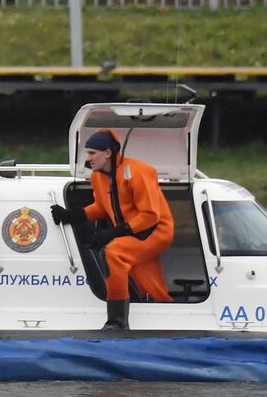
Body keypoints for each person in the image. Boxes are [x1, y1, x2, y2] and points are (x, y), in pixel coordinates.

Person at [50, 129, 175, 330]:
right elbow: (101, 207)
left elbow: (151, 216)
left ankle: (116, 322)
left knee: (113, 253)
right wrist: (71, 215)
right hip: (132, 231)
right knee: (147, 279)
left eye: (92, 153)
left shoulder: (138, 172)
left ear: (107, 153)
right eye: (87, 153)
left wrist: (113, 234)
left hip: (156, 231)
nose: (88, 158)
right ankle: (164, 310)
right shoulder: (98, 177)